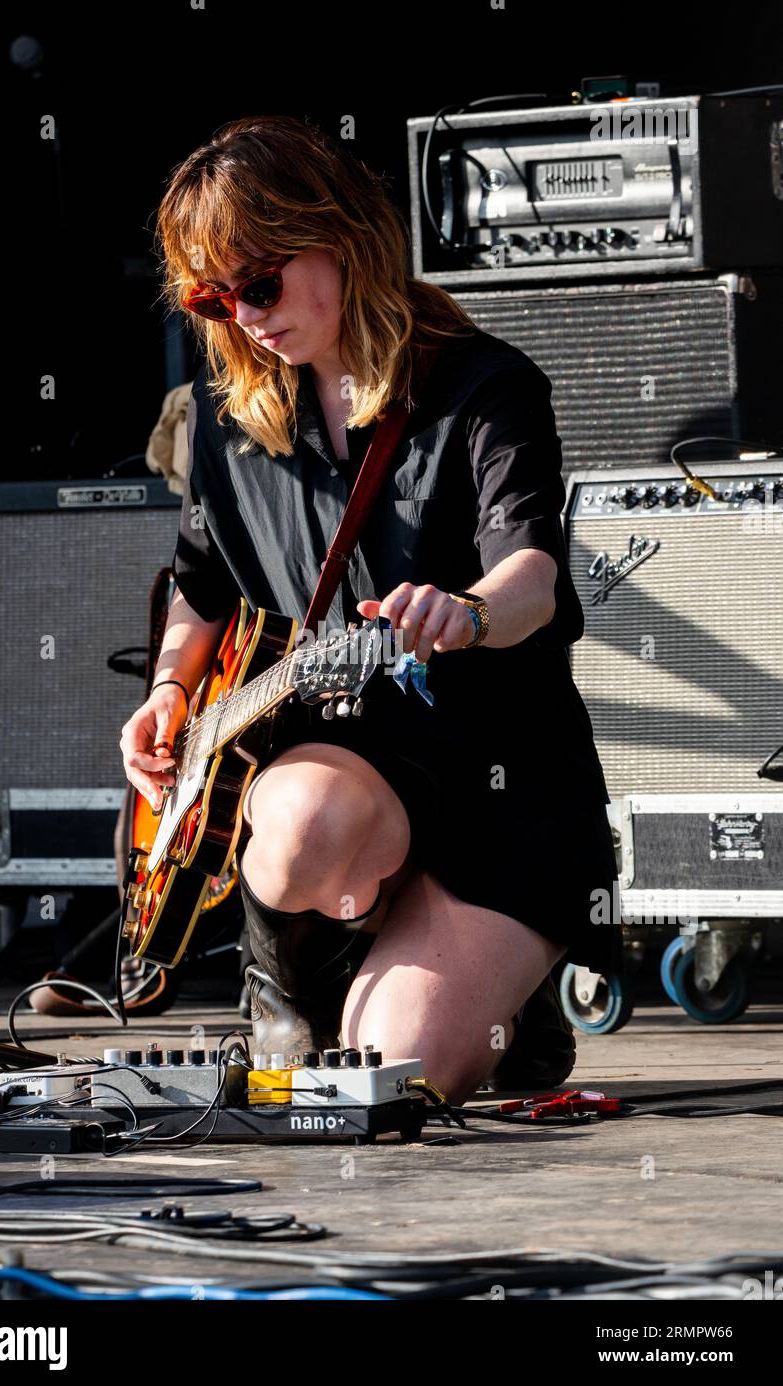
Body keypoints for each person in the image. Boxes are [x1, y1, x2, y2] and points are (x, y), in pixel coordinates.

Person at [119, 114, 622, 1106]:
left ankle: (504, 995)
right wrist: (171, 687)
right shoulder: (229, 426)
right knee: (306, 824)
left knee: (401, 1075)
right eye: (213, 297)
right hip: (347, 770)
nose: (244, 316)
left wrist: (467, 612)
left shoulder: (487, 388)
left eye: (259, 283)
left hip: (499, 782)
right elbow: (198, 585)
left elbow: (534, 575)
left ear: (341, 234)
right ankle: (290, 977)